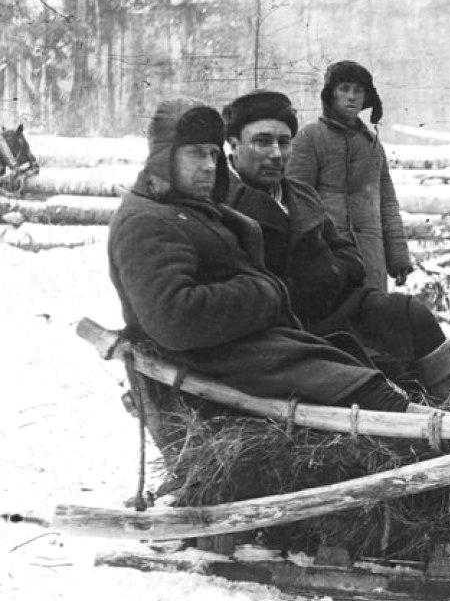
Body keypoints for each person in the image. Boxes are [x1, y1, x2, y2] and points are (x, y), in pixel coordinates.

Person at [107, 97, 410, 412]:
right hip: (213, 366)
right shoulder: (146, 221)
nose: (210, 165)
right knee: (371, 394)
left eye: (213, 153)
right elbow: (174, 317)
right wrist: (265, 291)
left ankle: (449, 437)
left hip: (246, 350)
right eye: (196, 153)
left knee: (374, 378)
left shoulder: (186, 207)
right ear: (163, 157)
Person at [220, 89, 450, 409]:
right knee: (371, 371)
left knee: (410, 314)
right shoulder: (224, 205)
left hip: (339, 305)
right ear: (233, 145)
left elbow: (347, 253)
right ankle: (421, 419)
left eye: (284, 142)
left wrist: (333, 271)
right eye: (262, 141)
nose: (276, 153)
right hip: (292, 330)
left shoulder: (300, 194)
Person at [286, 60, 412, 292]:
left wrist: (398, 257)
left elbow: (387, 203)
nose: (351, 97)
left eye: (358, 90)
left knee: (373, 320)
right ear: (330, 95)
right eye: (344, 89)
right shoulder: (310, 138)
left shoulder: (373, 145)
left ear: (367, 98)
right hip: (327, 259)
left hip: (371, 258)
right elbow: (296, 201)